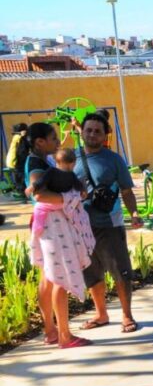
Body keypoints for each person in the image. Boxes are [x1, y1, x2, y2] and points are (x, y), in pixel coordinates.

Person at [21, 122, 94, 348]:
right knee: (60, 278)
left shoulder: (43, 161)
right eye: (53, 138)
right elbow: (40, 195)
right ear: (40, 142)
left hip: (46, 225)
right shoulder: (36, 165)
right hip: (53, 227)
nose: (58, 142)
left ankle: (51, 331)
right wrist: (71, 199)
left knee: (48, 278)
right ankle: (65, 336)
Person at [74, 112, 143, 333]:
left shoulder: (114, 160)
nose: (92, 134)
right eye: (89, 130)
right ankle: (101, 314)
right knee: (91, 272)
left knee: (120, 271)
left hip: (110, 225)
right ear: (82, 131)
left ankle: (126, 315)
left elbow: (126, 190)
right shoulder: (71, 159)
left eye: (97, 131)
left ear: (105, 135)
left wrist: (133, 213)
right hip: (82, 227)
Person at [6, 123, 28, 194]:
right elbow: (22, 152)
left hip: (15, 160)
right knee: (21, 174)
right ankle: (21, 191)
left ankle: (21, 190)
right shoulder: (18, 137)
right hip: (15, 161)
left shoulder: (18, 137)